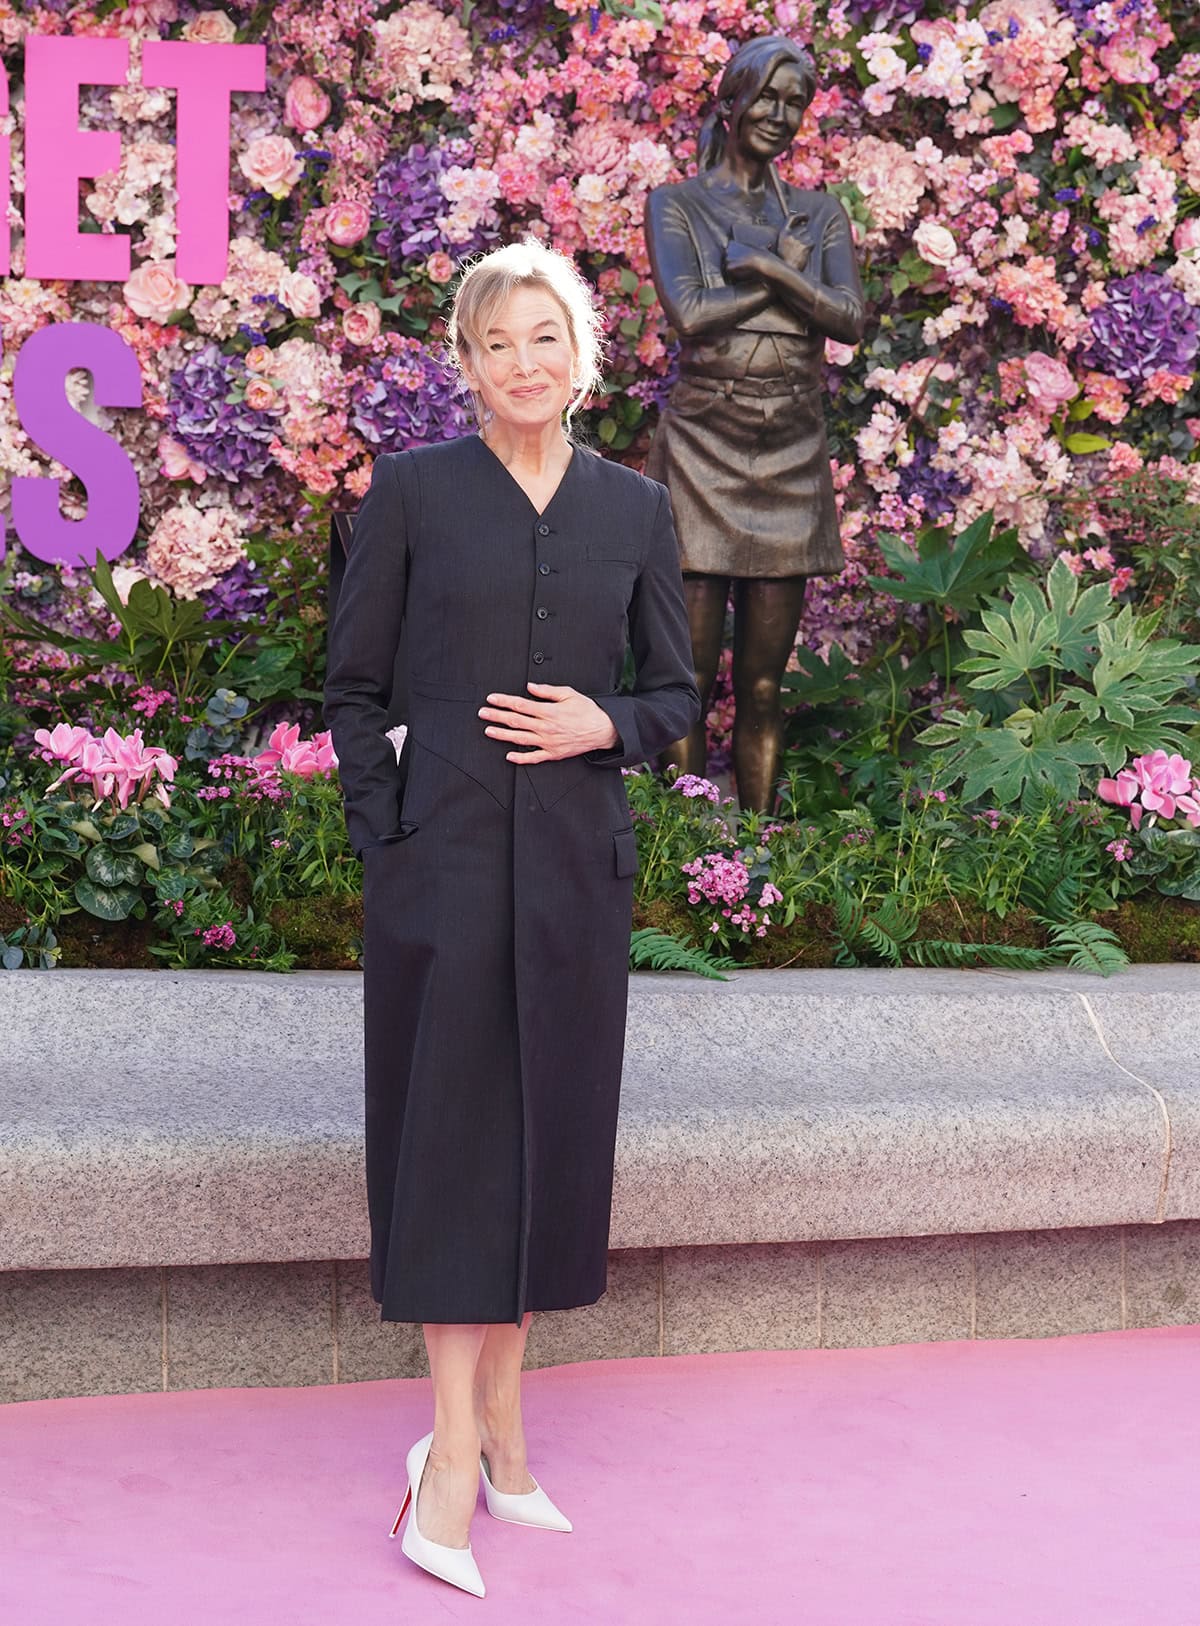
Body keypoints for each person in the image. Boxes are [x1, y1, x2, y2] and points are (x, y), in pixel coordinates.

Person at [322, 236, 701, 1599]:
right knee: (457, 1152)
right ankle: (449, 1463)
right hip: (445, 876)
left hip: (575, 886)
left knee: (544, 1150)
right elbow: (350, 686)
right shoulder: (416, 494)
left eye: (544, 337)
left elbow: (678, 694)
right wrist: (397, 837)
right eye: (496, 343)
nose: (522, 363)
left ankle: (504, 1434)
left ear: (579, 351)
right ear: (466, 364)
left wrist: (612, 720)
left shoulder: (633, 511)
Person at [643, 34, 867, 810]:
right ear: (730, 102)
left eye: (794, 103)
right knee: (688, 678)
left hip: (791, 454)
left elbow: (850, 319)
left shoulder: (818, 213)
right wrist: (794, 279)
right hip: (703, 452)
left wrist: (769, 266)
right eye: (767, 97)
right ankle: (682, 854)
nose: (780, 115)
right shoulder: (676, 204)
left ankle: (754, 856)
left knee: (765, 684)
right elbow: (693, 315)